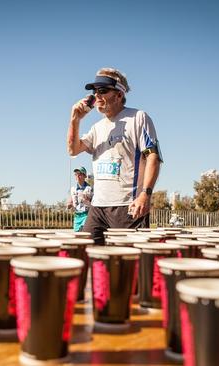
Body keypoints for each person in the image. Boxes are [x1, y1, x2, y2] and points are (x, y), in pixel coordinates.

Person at [66, 68, 162, 244]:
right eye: (94, 92)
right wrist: (75, 120)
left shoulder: (138, 117)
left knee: (130, 264)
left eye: (102, 91)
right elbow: (73, 150)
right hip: (98, 207)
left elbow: (153, 158)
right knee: (88, 255)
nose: (97, 96)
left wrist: (145, 195)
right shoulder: (97, 127)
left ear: (119, 94)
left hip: (128, 206)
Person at [67, 167, 93, 232]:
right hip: (77, 216)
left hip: (86, 215)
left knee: (83, 231)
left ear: (84, 176)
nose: (77, 176)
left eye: (80, 174)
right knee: (77, 235)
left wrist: (88, 200)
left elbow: (94, 202)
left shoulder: (90, 188)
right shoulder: (73, 189)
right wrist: (69, 204)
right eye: (76, 174)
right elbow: (70, 201)